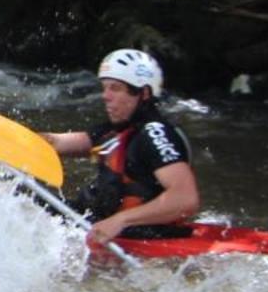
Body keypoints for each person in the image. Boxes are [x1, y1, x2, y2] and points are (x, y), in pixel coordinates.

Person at [41, 48, 200, 244]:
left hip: (136, 235)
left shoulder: (155, 134)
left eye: (115, 88)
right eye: (105, 87)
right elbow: (55, 143)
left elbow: (185, 199)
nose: (105, 96)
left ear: (144, 93)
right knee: (22, 196)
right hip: (92, 220)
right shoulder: (116, 131)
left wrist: (120, 221)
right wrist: (5, 137)